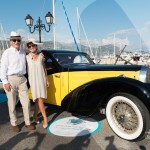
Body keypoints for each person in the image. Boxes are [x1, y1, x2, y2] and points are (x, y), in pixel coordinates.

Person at [0, 31, 35, 132]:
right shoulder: (7, 53)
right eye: (14, 40)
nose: (16, 42)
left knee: (26, 103)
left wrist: (40, 56)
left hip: (22, 79)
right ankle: (14, 123)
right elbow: (3, 68)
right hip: (11, 79)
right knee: (12, 104)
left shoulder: (23, 52)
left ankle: (28, 122)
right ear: (10, 41)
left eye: (18, 40)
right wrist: (5, 82)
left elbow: (32, 54)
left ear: (20, 41)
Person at [26, 38, 49, 128]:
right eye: (29, 46)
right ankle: (45, 118)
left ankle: (35, 116)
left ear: (36, 46)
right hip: (33, 81)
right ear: (28, 48)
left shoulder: (41, 56)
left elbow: (44, 69)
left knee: (40, 100)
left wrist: (47, 80)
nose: (31, 47)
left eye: (33, 45)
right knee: (38, 99)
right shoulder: (26, 57)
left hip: (41, 80)